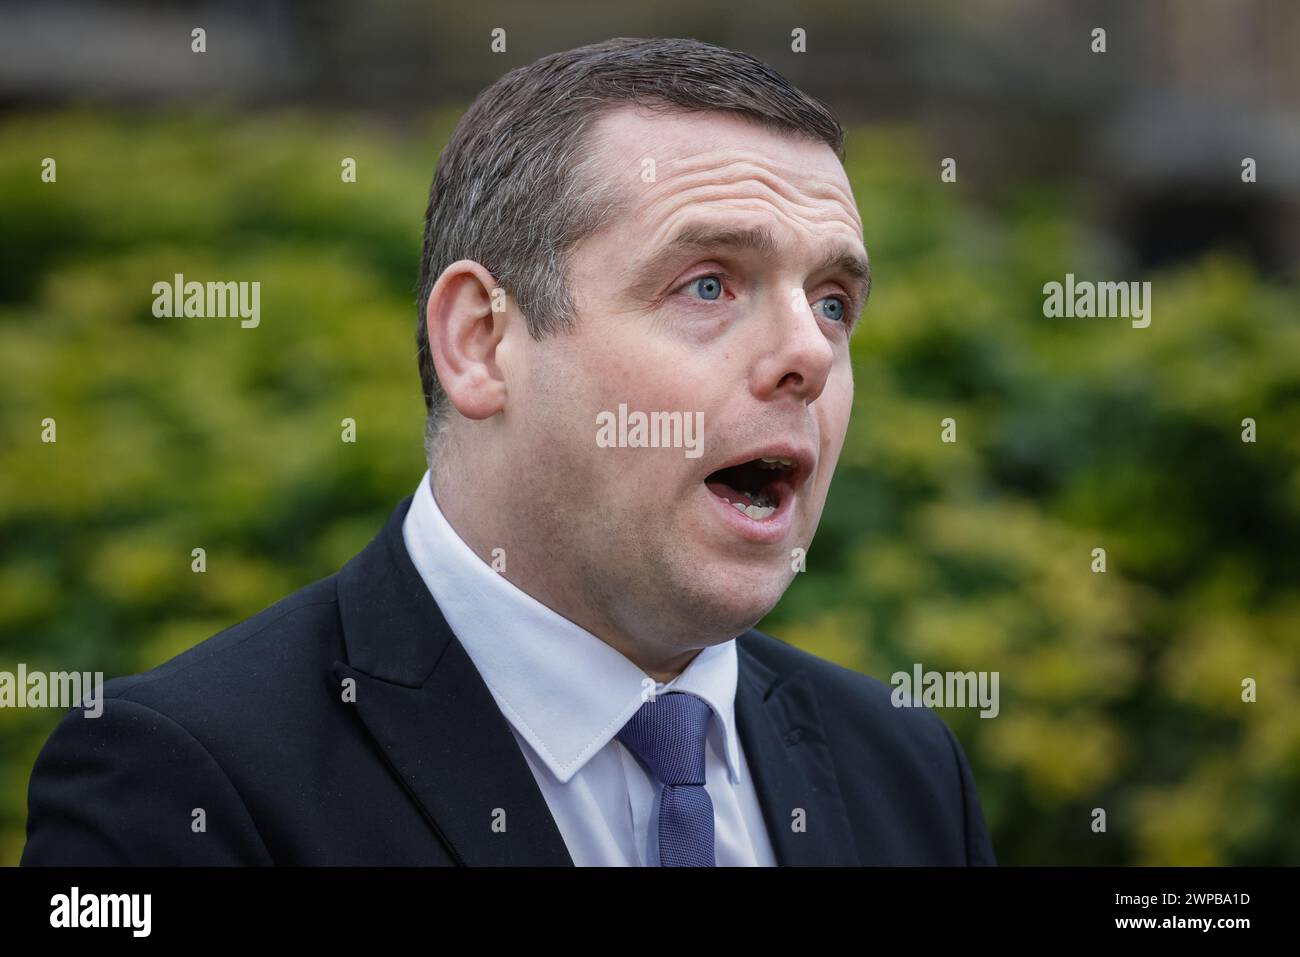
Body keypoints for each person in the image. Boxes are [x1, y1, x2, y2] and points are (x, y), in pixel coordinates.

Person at [22, 37, 995, 866]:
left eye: (832, 302)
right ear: (482, 342)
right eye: (708, 285)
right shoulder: (183, 781)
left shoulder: (906, 771)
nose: (808, 355)